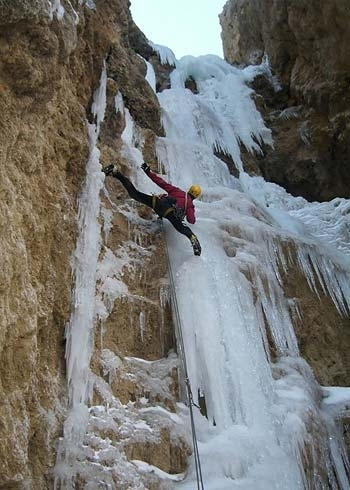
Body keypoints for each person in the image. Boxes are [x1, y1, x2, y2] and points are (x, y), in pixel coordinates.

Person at [102, 163, 202, 256]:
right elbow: (191, 220)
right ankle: (193, 239)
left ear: (189, 190)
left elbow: (161, 183)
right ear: (196, 196)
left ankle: (116, 173)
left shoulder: (177, 191)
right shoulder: (190, 205)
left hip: (158, 202)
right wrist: (186, 212)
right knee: (182, 228)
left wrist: (148, 172)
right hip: (169, 212)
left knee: (135, 194)